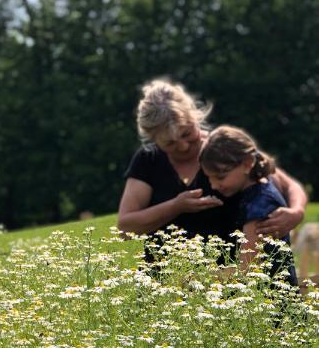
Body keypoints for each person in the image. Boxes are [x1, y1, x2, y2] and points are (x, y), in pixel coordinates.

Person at [117, 80, 307, 247]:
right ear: (153, 140)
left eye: (187, 134)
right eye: (170, 143)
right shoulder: (148, 160)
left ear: (195, 117)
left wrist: (296, 212)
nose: (183, 146)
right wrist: (176, 206)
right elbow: (125, 228)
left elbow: (288, 184)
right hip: (164, 279)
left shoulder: (222, 148)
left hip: (229, 276)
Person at [199, 126, 298, 284]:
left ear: (247, 164)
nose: (214, 185)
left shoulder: (260, 205)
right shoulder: (256, 189)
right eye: (209, 178)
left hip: (272, 301)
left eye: (220, 177)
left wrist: (198, 278)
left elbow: (247, 268)